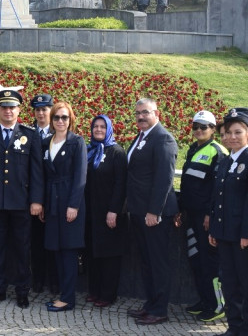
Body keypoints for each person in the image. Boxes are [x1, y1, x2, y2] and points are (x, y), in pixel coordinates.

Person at [0, 90, 44, 309]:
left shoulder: (30, 134)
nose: (8, 111)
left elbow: (36, 171)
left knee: (21, 249)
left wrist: (36, 200)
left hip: (22, 204)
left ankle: (22, 291)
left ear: (19, 110)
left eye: (12, 107)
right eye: (4, 107)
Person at [126, 98, 178, 325]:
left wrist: (153, 212)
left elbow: (164, 179)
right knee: (147, 261)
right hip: (139, 211)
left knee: (157, 262)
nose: (140, 116)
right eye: (137, 113)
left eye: (145, 112)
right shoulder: (142, 137)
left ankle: (159, 310)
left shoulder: (163, 138)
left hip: (154, 214)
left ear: (157, 113)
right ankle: (150, 304)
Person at [180, 111, 227, 322]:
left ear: (213, 129)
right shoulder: (193, 149)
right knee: (196, 259)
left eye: (204, 126)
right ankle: (205, 300)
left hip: (206, 218)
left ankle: (218, 305)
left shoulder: (218, 151)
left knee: (210, 262)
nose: (199, 130)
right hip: (191, 214)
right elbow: (188, 186)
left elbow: (219, 188)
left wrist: (210, 214)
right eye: (196, 126)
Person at [42, 102, 87, 312]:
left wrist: (73, 205)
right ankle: (62, 293)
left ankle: (68, 298)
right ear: (51, 120)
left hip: (69, 202)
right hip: (52, 202)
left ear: (71, 120)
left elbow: (80, 176)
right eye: (57, 117)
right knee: (56, 249)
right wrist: (42, 203)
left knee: (68, 251)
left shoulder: (77, 142)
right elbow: (42, 176)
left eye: (64, 117)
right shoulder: (46, 142)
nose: (61, 121)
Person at [209, 108, 248, 336]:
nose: (231, 137)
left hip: (242, 236)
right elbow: (217, 199)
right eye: (227, 133)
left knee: (245, 285)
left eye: (238, 132)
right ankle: (234, 328)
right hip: (224, 233)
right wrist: (214, 228)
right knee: (229, 284)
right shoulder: (225, 161)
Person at [84, 114, 128, 307]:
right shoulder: (89, 150)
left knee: (109, 255)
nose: (99, 130)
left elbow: (121, 184)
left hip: (109, 213)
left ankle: (108, 295)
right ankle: (94, 290)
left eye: (103, 126)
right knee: (93, 253)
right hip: (91, 212)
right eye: (96, 126)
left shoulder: (117, 152)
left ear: (109, 129)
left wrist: (114, 210)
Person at [29, 93, 58, 293]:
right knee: (35, 242)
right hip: (32, 197)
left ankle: (54, 282)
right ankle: (37, 280)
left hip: (54, 196)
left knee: (53, 241)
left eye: (44, 109)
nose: (41, 113)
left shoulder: (60, 133)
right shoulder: (27, 133)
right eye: (38, 109)